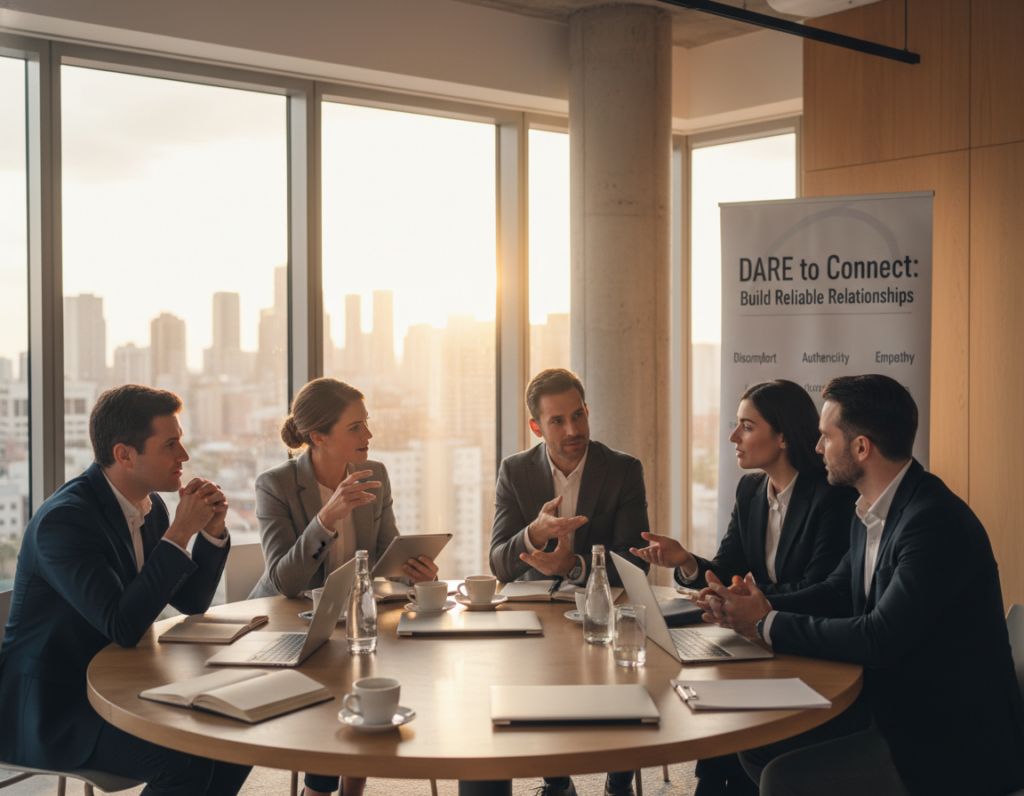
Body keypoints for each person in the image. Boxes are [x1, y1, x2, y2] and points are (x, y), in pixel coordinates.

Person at [696, 374, 1024, 796]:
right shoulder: (869, 509)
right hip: (891, 702)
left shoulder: (932, 522)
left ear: (861, 447)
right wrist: (753, 604)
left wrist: (766, 623)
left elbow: (879, 637)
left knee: (783, 778)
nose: (817, 448)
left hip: (947, 735)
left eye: (826, 437)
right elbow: (835, 591)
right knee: (755, 744)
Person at [0, 384, 251, 796]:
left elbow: (190, 601)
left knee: (235, 731)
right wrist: (180, 533)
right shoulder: (65, 522)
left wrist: (211, 531)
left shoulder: (151, 506)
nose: (184, 456)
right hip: (54, 708)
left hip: (121, 680)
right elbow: (122, 625)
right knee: (184, 760)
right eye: (170, 445)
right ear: (124, 455)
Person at [631, 379, 857, 796]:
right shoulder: (751, 489)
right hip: (760, 639)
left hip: (807, 643)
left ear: (784, 436)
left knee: (725, 702)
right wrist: (686, 562)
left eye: (747, 427)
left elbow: (822, 588)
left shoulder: (831, 495)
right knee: (712, 693)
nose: (733, 437)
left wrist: (749, 603)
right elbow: (728, 569)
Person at [249, 376, 438, 796]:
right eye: (355, 427)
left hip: (353, 620)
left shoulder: (375, 474)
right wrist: (326, 519)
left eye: (366, 423)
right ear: (318, 437)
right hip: (290, 626)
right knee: (346, 674)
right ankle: (318, 790)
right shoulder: (276, 485)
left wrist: (415, 571)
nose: (368, 435)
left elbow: (386, 557)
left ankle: (348, 789)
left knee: (388, 664)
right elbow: (284, 581)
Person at [489, 368, 650, 796]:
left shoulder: (623, 469)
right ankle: (556, 782)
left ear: (587, 411)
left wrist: (575, 567)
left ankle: (619, 782)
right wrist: (532, 534)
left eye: (578, 415)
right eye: (557, 421)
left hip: (605, 609)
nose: (573, 430)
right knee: (537, 678)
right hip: (539, 616)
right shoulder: (515, 471)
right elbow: (499, 563)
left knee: (622, 676)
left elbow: (635, 563)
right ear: (536, 427)